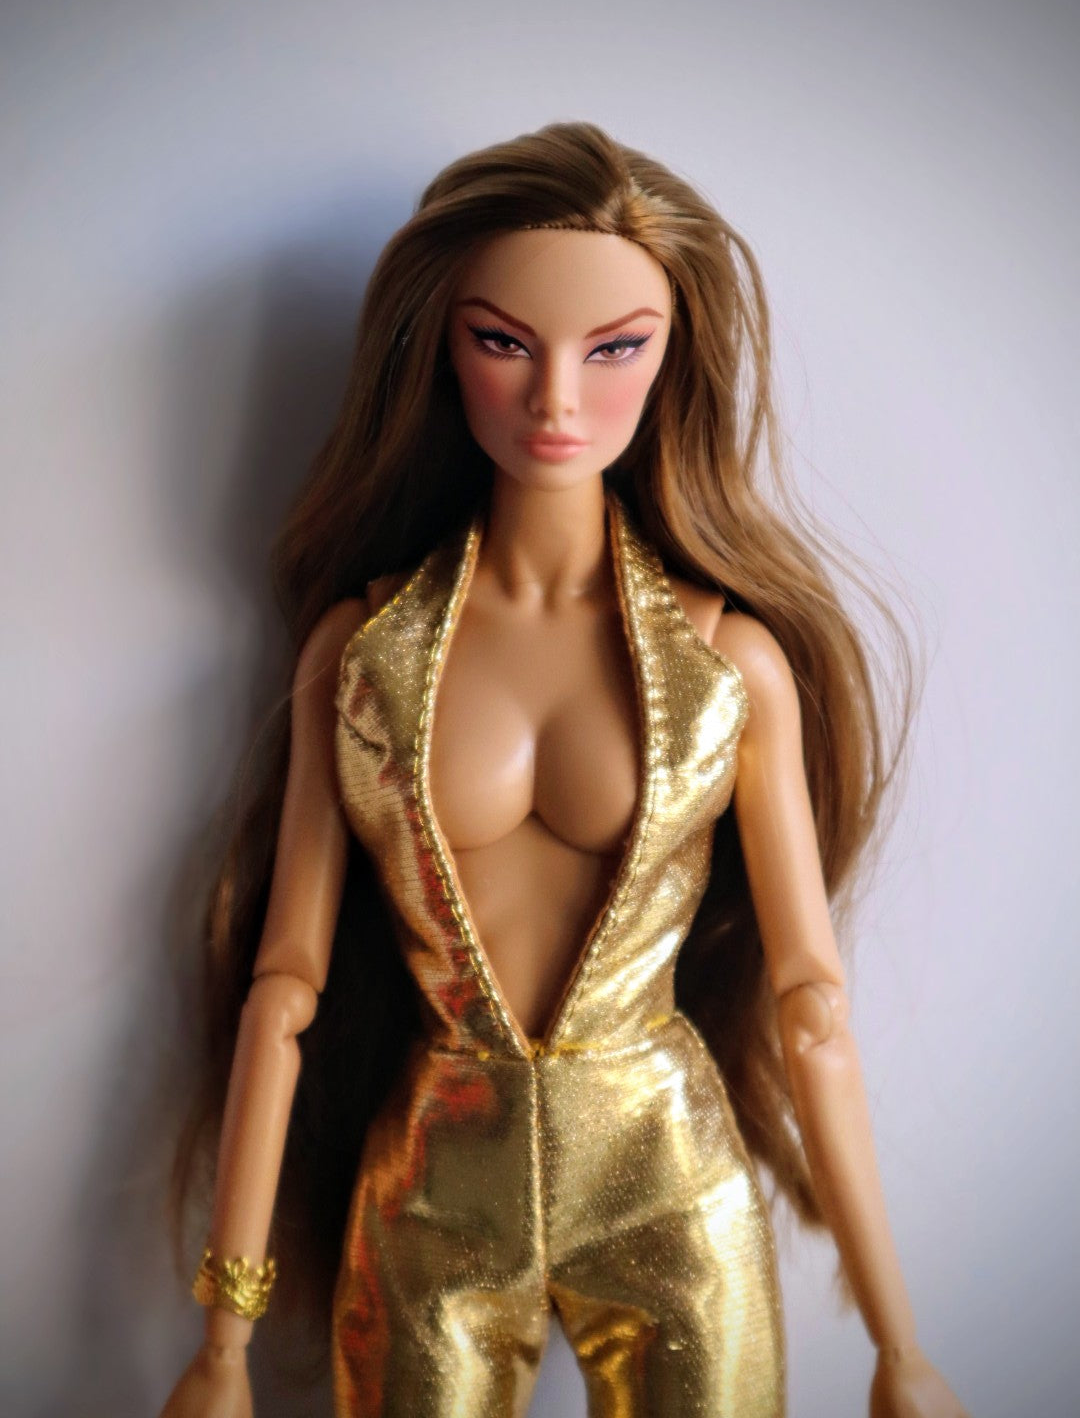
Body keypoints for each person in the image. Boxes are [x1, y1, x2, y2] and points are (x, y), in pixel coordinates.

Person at [160, 121, 970, 1417]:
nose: (556, 401)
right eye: (503, 343)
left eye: (614, 349)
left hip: (668, 1181)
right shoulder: (364, 653)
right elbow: (283, 994)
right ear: (439, 349)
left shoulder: (728, 664)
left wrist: (900, 1343)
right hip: (434, 1182)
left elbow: (813, 1004)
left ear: (673, 356)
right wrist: (224, 1340)